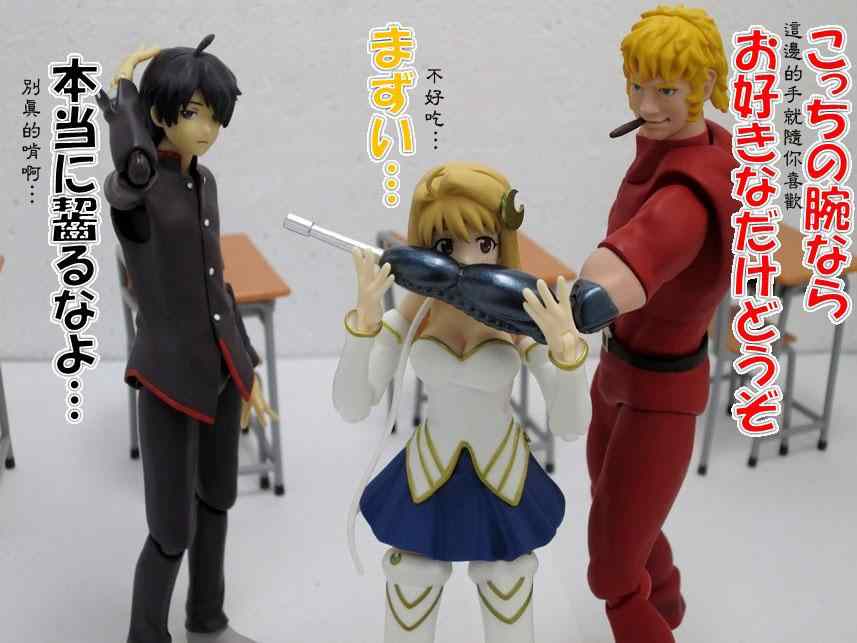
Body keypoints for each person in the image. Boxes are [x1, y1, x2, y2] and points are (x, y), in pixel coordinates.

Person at [332, 162, 592, 643]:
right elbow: (354, 404)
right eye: (446, 246)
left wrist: (568, 358)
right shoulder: (417, 309)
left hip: (503, 473)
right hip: (427, 472)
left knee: (507, 581)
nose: (468, 260)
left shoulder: (515, 312)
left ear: (502, 243)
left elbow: (570, 425)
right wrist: (363, 328)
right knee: (411, 580)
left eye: (485, 243)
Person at [101, 36, 274, 643]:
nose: (207, 130)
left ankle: (207, 618)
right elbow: (129, 172)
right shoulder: (138, 188)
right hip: (169, 379)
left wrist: (246, 368)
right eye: (194, 113)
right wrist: (125, 100)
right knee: (170, 530)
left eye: (215, 117)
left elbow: (216, 286)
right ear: (159, 113)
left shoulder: (207, 183)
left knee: (217, 501)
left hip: (219, 372)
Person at [574, 6, 738, 642]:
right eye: (637, 85)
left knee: (611, 571)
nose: (646, 105)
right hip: (617, 373)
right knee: (616, 508)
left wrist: (566, 303)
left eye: (666, 90)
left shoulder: (688, 192)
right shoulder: (687, 147)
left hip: (658, 395)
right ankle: (665, 600)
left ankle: (647, 619)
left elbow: (620, 272)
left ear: (704, 85)